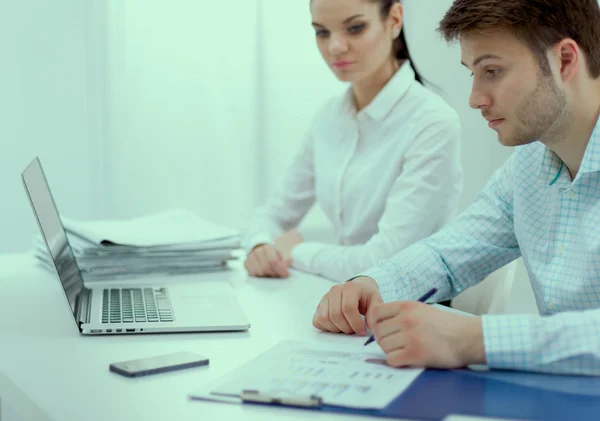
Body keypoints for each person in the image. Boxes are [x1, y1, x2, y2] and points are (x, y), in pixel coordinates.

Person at [312, 0, 600, 376]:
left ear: (564, 60)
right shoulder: (529, 166)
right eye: (473, 74)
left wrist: (475, 339)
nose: (475, 99)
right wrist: (372, 284)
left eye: (492, 71)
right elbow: (446, 255)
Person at [243, 0, 463, 284]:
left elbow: (385, 261)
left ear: (394, 20)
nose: (335, 47)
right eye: (322, 32)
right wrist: (260, 245)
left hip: (408, 311)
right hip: (343, 298)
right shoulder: (329, 118)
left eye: (355, 28)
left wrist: (295, 250)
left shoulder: (431, 122)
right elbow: (274, 213)